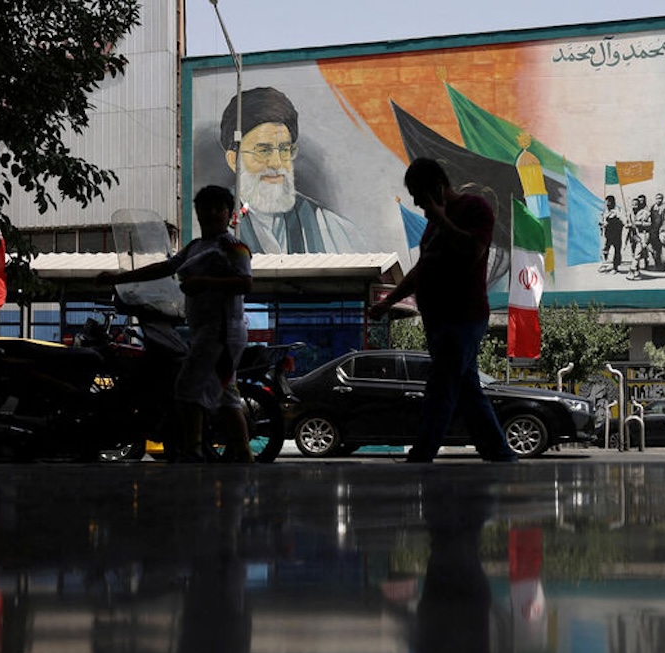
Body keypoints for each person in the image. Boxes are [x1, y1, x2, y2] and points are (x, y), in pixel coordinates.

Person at [369, 157, 516, 463]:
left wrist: (442, 218)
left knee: (442, 384)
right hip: (438, 321)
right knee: (466, 388)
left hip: (463, 317)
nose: (418, 205)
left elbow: (474, 250)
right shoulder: (433, 226)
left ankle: (423, 453)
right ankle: (499, 452)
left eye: (420, 197)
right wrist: (388, 301)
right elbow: (421, 270)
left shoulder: (475, 209)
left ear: (437, 188)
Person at [97, 185, 254, 462]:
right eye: (206, 208)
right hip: (207, 330)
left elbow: (245, 283)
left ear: (229, 214)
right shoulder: (195, 247)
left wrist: (204, 283)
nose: (212, 213)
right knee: (225, 395)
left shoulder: (234, 248)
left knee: (187, 387)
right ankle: (242, 453)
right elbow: (166, 268)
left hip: (221, 331)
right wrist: (120, 278)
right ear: (198, 212)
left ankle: (192, 450)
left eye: (219, 208)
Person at [218, 86, 366, 255]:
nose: (276, 163)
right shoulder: (209, 227)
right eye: (263, 150)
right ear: (233, 160)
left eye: (284, 149)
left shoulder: (331, 227)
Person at [598, 194, 625, 273]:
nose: (607, 204)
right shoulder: (605, 211)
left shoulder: (618, 210)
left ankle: (615, 267)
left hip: (616, 234)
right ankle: (604, 264)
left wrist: (613, 222)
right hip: (607, 234)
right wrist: (602, 223)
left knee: (617, 250)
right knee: (605, 249)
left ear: (612, 202)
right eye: (606, 203)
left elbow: (623, 221)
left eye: (609, 203)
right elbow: (602, 221)